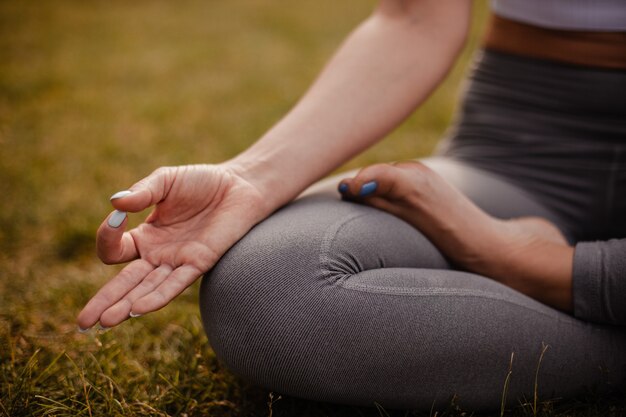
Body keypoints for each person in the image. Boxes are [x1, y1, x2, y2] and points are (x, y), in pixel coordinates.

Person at [77, 0, 626, 411]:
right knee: (274, 291)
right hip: (518, 151)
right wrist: (250, 178)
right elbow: (416, 18)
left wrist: (527, 261)